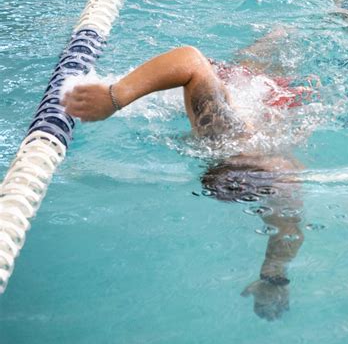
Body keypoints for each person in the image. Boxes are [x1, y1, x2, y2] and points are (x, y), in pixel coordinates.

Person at [62, 35, 312, 320]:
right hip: (262, 91)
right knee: (276, 45)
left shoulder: (272, 177)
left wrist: (272, 280)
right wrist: (115, 97)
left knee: (279, 44)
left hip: (265, 96)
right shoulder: (230, 139)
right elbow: (189, 59)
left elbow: (288, 232)